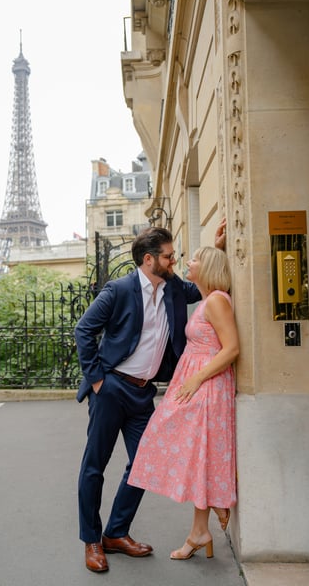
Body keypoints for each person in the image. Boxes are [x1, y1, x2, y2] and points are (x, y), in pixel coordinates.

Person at [75, 221, 226, 573]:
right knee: (94, 466)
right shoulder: (119, 290)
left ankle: (116, 532)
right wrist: (98, 381)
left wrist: (218, 249)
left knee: (144, 466)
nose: (174, 262)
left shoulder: (173, 288)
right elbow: (84, 330)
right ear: (149, 260)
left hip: (144, 394)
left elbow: (206, 284)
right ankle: (92, 540)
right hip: (112, 389)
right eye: (169, 257)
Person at [127, 246, 239, 561]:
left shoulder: (216, 301)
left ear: (207, 269)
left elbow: (231, 349)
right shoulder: (208, 299)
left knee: (186, 444)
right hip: (196, 383)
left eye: (195, 259)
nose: (188, 262)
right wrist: (218, 245)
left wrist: (196, 379)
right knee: (196, 451)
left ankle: (210, 511)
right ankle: (200, 529)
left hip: (206, 384)